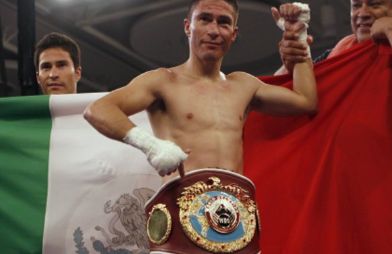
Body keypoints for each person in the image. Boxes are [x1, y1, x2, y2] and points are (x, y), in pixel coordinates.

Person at [84, 1, 316, 253]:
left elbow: (306, 101)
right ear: (188, 26)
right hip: (179, 232)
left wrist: (298, 37)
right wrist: (150, 145)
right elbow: (98, 109)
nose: (214, 30)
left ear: (234, 34)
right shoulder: (163, 81)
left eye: (224, 22)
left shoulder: (244, 86)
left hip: (236, 225)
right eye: (205, 19)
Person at [278, 1, 392, 253]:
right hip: (337, 211)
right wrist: (292, 60)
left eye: (374, 4)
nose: (362, 13)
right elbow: (284, 105)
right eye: (356, 5)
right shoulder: (334, 60)